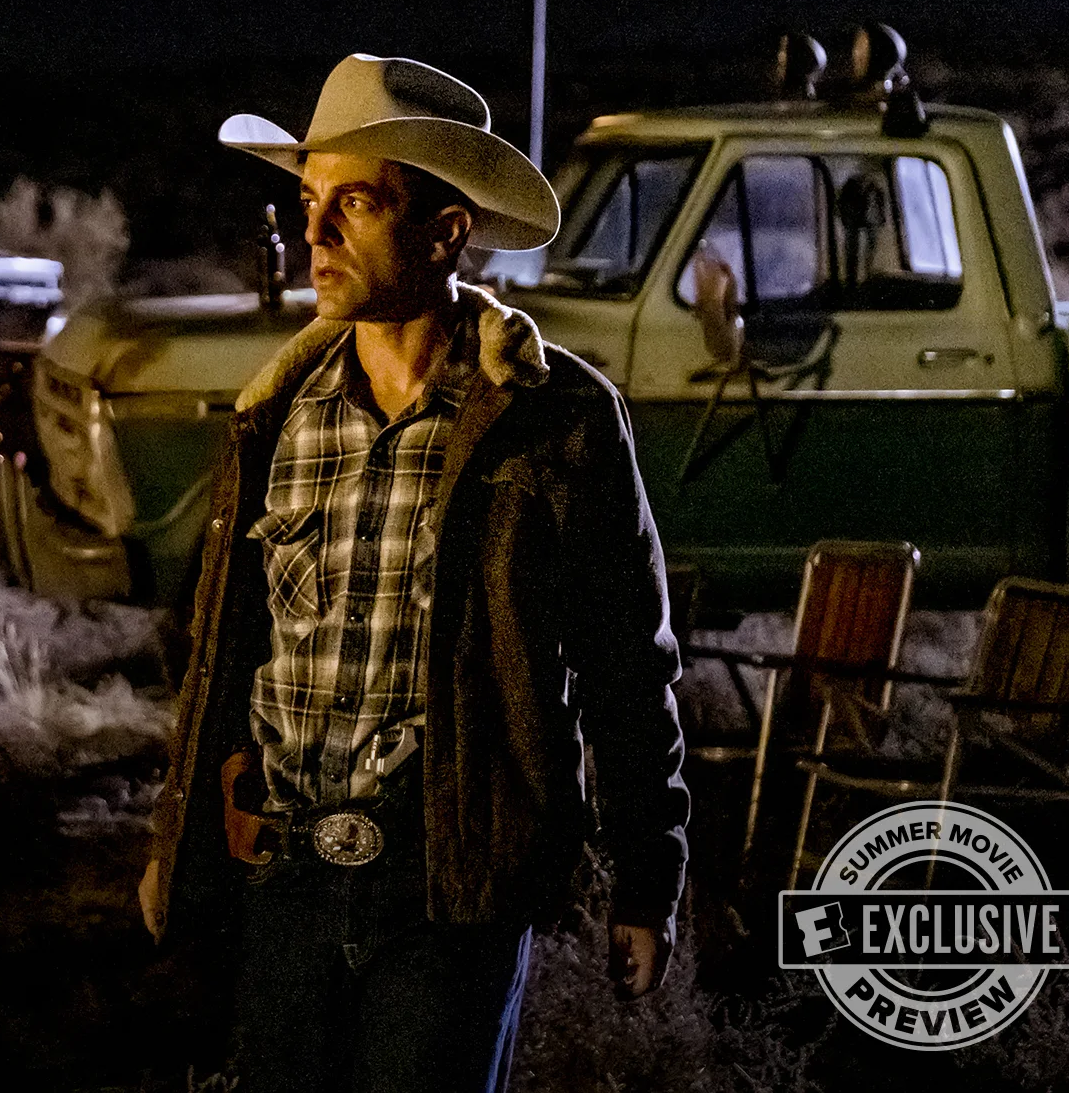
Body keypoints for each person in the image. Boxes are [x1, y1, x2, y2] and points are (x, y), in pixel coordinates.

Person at [138, 55, 690, 1093]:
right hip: (283, 879)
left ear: (445, 233)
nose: (315, 232)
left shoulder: (553, 422)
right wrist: (179, 842)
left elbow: (627, 660)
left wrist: (646, 878)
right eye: (310, 200)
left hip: (449, 885)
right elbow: (223, 652)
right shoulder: (274, 418)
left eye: (355, 202)